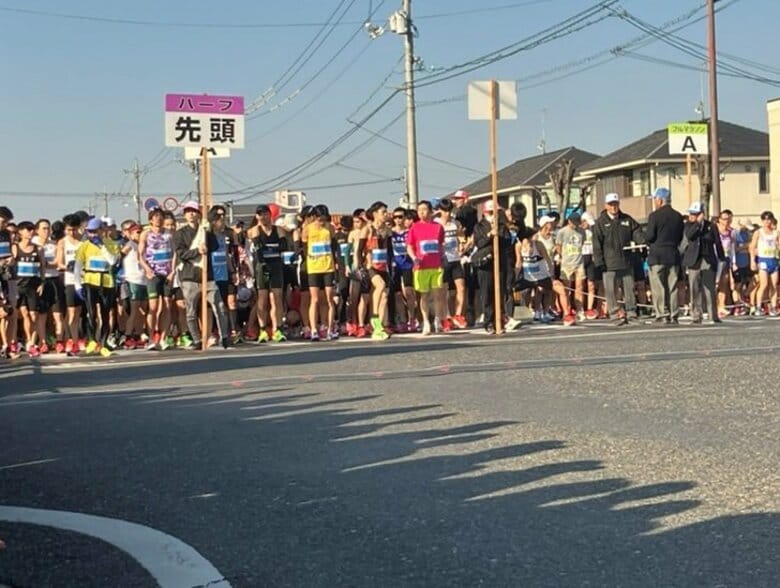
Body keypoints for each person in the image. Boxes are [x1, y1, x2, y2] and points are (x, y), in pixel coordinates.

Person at [173, 200, 229, 349]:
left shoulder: (204, 231)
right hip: (189, 276)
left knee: (220, 305)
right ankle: (197, 339)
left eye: (194, 211)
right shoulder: (179, 234)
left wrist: (207, 236)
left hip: (207, 275)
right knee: (191, 310)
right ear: (185, 214)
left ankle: (224, 336)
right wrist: (197, 250)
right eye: (188, 211)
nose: (191, 214)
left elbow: (215, 246)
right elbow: (180, 253)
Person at [592, 193, 645, 326]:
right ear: (606, 205)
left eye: (615, 204)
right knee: (610, 291)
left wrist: (642, 241)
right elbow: (596, 244)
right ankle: (615, 315)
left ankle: (631, 313)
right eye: (611, 204)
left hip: (626, 261)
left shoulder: (627, 219)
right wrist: (599, 262)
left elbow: (637, 231)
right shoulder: (600, 223)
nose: (614, 207)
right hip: (609, 263)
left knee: (629, 289)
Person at [73, 217, 120, 356]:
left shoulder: (112, 244)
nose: (92, 235)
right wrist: (77, 285)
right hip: (90, 281)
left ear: (102, 230)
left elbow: (112, 261)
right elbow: (78, 266)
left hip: (106, 282)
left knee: (105, 314)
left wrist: (102, 246)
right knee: (91, 313)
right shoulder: (84, 246)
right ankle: (92, 340)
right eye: (89, 232)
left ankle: (104, 343)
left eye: (94, 231)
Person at [644, 187, 684, 325]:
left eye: (655, 199)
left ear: (660, 200)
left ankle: (661, 314)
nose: (654, 202)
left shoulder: (654, 216)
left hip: (657, 255)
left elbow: (649, 236)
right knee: (673, 286)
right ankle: (674, 314)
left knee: (658, 286)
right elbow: (680, 237)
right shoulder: (678, 216)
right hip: (673, 254)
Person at [471, 201, 512, 333]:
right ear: (484, 213)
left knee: (500, 291)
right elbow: (480, 243)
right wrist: (490, 235)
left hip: (499, 261)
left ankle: (499, 320)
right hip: (485, 263)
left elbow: (507, 242)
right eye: (490, 213)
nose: (493, 215)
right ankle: (488, 321)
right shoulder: (479, 226)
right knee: (487, 292)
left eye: (495, 213)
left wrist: (498, 234)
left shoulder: (501, 226)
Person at [406, 200, 446, 335]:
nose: (421, 212)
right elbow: (409, 245)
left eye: (424, 209)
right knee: (424, 295)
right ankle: (426, 322)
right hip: (421, 266)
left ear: (430, 211)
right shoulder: (414, 227)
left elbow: (440, 244)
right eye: (419, 210)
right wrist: (414, 258)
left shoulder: (438, 227)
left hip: (436, 265)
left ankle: (437, 320)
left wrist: (442, 255)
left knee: (437, 294)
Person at [683, 202, 725, 324]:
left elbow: (717, 242)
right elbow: (689, 236)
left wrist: (721, 257)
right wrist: (697, 224)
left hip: (707, 259)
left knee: (709, 288)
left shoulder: (711, 226)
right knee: (694, 288)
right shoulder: (688, 225)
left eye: (695, 214)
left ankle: (713, 315)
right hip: (693, 259)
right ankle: (696, 315)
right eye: (691, 213)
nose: (692, 216)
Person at [555, 211, 586, 322]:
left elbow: (582, 243)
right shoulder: (562, 232)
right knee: (566, 289)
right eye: (573, 222)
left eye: (577, 222)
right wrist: (562, 256)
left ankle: (579, 310)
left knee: (579, 287)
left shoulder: (582, 231)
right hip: (566, 264)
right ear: (569, 221)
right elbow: (558, 246)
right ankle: (567, 310)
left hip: (579, 262)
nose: (575, 225)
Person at [748, 210, 779, 316]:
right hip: (763, 260)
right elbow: (752, 247)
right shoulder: (759, 232)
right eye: (765, 219)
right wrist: (752, 260)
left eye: (769, 219)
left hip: (773, 259)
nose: (767, 222)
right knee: (764, 284)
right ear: (762, 221)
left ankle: (774, 307)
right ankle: (758, 306)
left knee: (774, 285)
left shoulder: (776, 233)